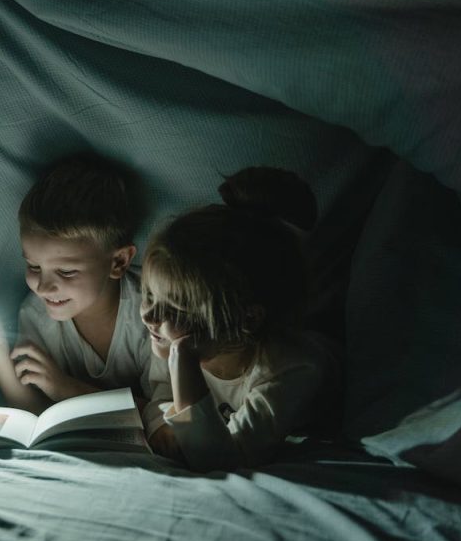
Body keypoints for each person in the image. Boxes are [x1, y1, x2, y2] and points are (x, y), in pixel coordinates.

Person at [140, 167, 339, 470]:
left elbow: (219, 459)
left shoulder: (290, 370)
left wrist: (184, 363)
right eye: (150, 296)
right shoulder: (174, 337)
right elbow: (159, 394)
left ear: (246, 318)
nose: (150, 316)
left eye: (175, 308)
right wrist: (160, 424)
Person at [0, 154, 161, 423]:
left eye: (66, 271)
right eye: (33, 266)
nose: (43, 287)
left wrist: (66, 389)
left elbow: (168, 416)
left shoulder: (151, 312)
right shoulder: (36, 313)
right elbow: (30, 408)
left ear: (119, 261)